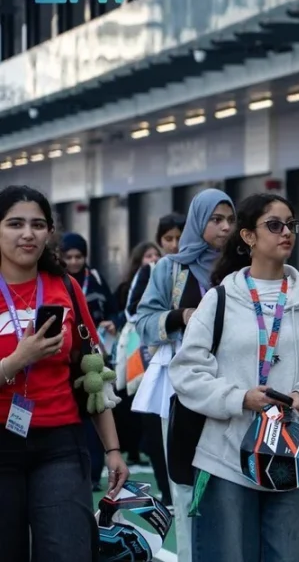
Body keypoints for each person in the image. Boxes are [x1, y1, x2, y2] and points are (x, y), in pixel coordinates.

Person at [168, 193, 299, 561]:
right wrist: (239, 398)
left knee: (290, 555)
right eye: (275, 225)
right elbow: (186, 370)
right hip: (224, 456)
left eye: (291, 225)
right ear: (248, 237)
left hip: (290, 457)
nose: (286, 232)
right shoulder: (220, 298)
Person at [0, 185, 130, 561]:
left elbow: (92, 376)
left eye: (38, 224)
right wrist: (18, 359)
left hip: (60, 444)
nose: (28, 233)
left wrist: (114, 450)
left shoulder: (66, 288)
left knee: (67, 551)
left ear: (49, 232)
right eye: (15, 224)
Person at [134, 188, 234, 562]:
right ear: (198, 221)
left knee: (233, 484)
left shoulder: (244, 264)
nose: (225, 228)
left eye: (230, 219)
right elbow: (144, 321)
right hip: (183, 388)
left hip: (235, 386)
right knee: (185, 486)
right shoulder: (170, 268)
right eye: (216, 219)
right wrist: (182, 317)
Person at [125, 213, 185, 507]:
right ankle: (165, 489)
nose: (174, 244)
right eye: (168, 239)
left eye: (179, 237)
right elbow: (134, 312)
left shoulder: (200, 268)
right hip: (153, 359)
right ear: (160, 241)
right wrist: (171, 321)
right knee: (158, 427)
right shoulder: (154, 270)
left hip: (193, 365)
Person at [60, 231, 120, 491]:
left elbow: (116, 310)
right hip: (63, 371)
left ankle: (94, 474)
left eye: (79, 256)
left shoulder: (88, 281)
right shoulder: (54, 282)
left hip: (93, 360)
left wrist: (113, 323)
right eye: (69, 257)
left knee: (94, 409)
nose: (74, 262)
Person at [110, 240, 162, 467]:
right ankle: (135, 447)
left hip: (155, 346)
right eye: (148, 256)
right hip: (139, 347)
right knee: (136, 396)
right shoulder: (132, 283)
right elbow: (128, 312)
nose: (153, 260)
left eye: (155, 255)